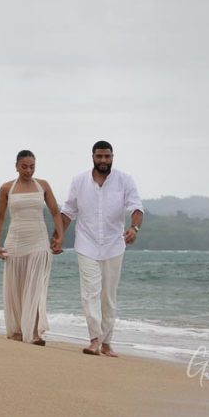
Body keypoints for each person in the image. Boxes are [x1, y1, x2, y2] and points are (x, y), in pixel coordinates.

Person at [52, 140, 143, 357]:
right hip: (86, 244)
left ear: (112, 157)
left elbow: (136, 208)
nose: (103, 160)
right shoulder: (79, 181)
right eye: (99, 156)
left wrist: (134, 228)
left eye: (107, 156)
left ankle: (107, 343)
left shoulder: (125, 180)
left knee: (108, 296)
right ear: (92, 157)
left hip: (114, 245)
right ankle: (94, 340)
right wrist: (58, 236)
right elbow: (68, 211)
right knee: (90, 293)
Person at [0, 150, 64, 345]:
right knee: (16, 287)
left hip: (39, 241)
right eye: (24, 167)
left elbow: (55, 212)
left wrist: (60, 236)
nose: (28, 170)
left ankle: (34, 333)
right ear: (16, 166)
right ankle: (17, 329)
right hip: (15, 242)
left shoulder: (43, 185)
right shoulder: (7, 188)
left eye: (32, 167)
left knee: (36, 288)